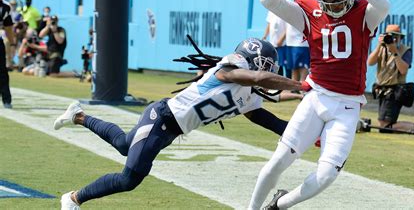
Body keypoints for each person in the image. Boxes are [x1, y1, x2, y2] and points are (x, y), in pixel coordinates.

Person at [54, 38, 305, 209]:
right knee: (129, 179)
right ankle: (74, 198)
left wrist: (303, 132)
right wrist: (300, 85)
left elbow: (265, 119)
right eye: (266, 65)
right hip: (162, 117)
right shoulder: (231, 67)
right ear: (250, 59)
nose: (270, 71)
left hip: (172, 128)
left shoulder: (248, 95)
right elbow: (257, 76)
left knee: (122, 144)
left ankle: (78, 115)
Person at [248, 0, 391, 209]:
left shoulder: (363, 13)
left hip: (347, 105)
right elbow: (268, 0)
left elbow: (384, 4)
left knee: (327, 175)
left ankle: (278, 205)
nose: (336, 1)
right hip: (315, 97)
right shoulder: (309, 11)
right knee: (278, 160)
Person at [367, 24, 414, 135]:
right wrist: (380, 45)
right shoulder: (382, 48)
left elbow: (403, 70)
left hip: (394, 90)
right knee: (384, 124)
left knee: (384, 126)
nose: (393, 39)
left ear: (400, 38)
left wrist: (394, 52)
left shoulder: (405, 50)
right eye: (390, 36)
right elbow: (370, 62)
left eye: (396, 36)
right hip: (382, 90)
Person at [0, 0, 15, 108]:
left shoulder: (5, 7)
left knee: (2, 71)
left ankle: (7, 100)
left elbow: (8, 27)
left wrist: (12, 44)